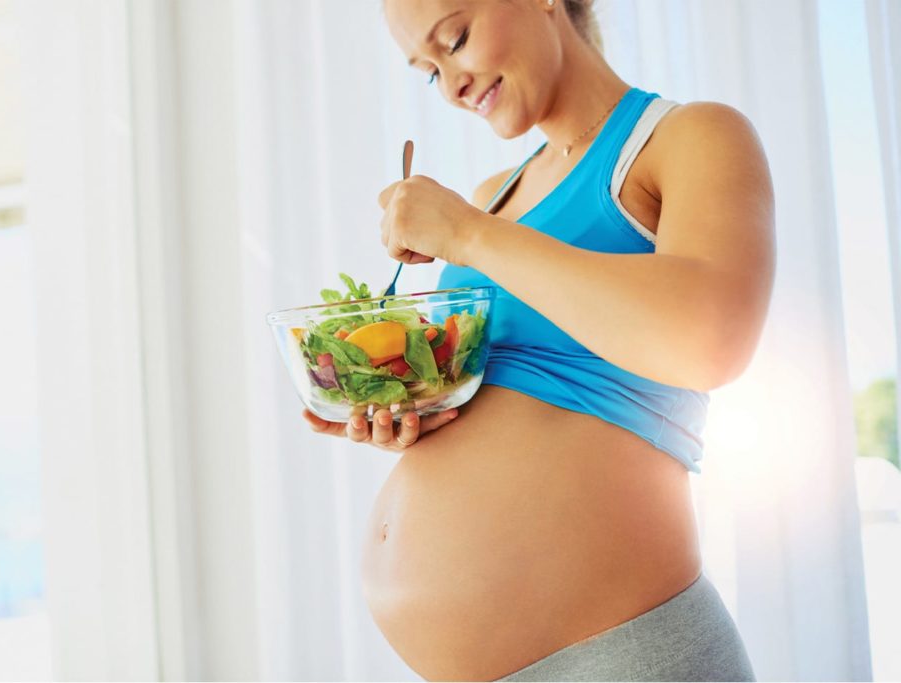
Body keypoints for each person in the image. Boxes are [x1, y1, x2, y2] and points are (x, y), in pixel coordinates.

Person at [302, 0, 774, 680]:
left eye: (456, 39)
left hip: (622, 655)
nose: (453, 83)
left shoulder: (687, 138)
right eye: (429, 71)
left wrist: (467, 234)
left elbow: (712, 340)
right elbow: (506, 395)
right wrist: (418, 410)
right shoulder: (495, 195)